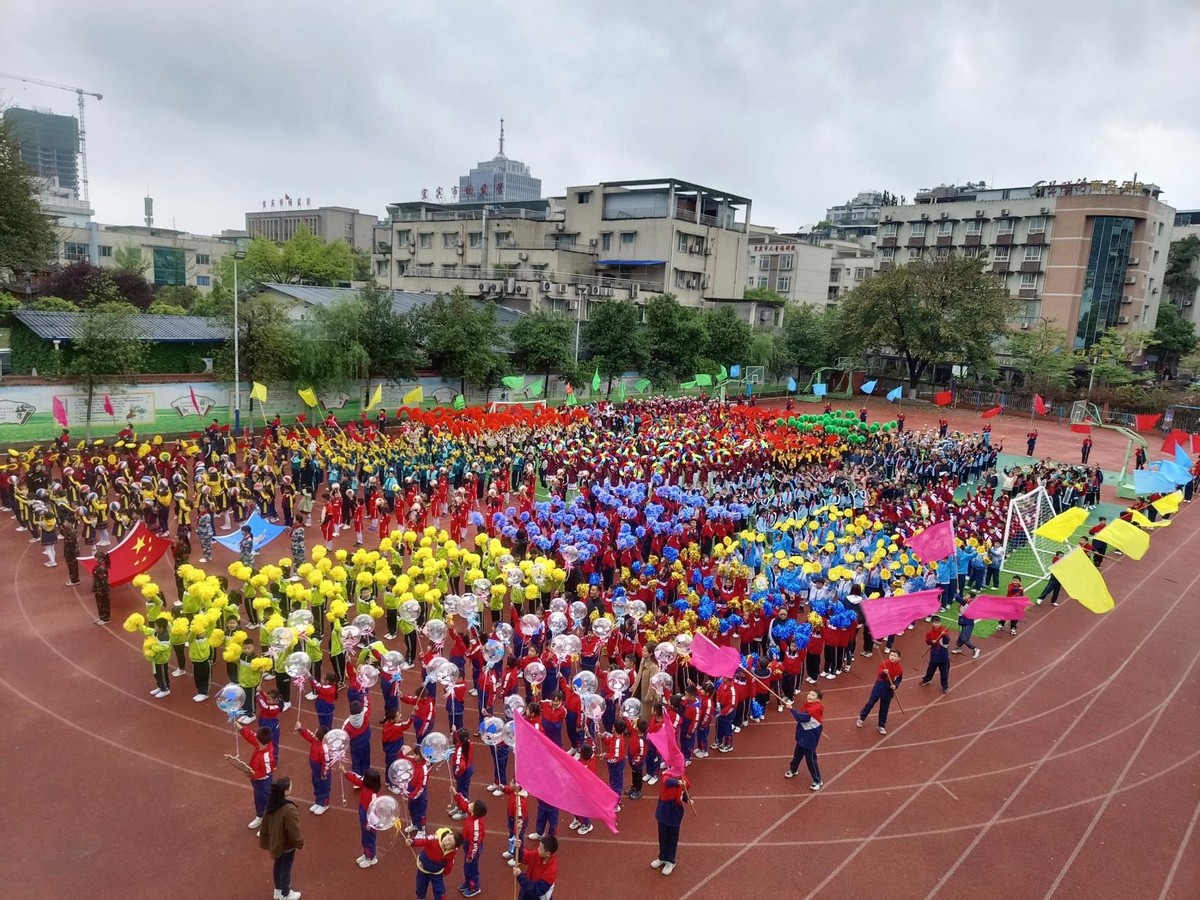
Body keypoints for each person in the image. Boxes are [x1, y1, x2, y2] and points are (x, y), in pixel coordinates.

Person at [259, 776, 304, 900]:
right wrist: (299, 842)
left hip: (276, 842)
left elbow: (266, 821)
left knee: (278, 864)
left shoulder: (272, 803)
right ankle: (286, 894)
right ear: (285, 791)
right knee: (286, 868)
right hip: (286, 844)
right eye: (290, 786)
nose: (291, 787)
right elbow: (294, 830)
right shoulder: (289, 809)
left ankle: (278, 890)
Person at [652, 766, 690, 876]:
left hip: (674, 814)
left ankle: (670, 861)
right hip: (664, 813)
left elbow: (683, 794)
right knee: (662, 837)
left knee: (672, 839)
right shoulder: (667, 777)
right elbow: (668, 782)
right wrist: (678, 782)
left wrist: (688, 800)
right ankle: (662, 857)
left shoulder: (684, 780)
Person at [783, 689, 824, 790]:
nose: (809, 696)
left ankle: (817, 780)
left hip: (809, 739)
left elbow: (801, 718)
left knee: (811, 760)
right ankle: (793, 769)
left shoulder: (813, 709)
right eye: (809, 694)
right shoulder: (808, 706)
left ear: (818, 699)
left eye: (813, 695)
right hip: (803, 735)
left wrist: (791, 709)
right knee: (797, 754)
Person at [406, 827, 462, 900]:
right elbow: (424, 841)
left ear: (453, 848)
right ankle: (421, 897)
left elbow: (450, 862)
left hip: (437, 872)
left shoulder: (452, 852)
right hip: (423, 868)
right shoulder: (434, 839)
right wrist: (413, 842)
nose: (447, 843)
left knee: (439, 890)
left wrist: (445, 872)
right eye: (449, 839)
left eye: (450, 845)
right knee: (421, 885)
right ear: (448, 834)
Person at [450, 790, 487, 897]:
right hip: (469, 845)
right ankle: (468, 883)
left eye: (472, 805)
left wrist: (471, 856)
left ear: (474, 812)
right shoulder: (472, 813)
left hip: (473, 850)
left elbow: (475, 843)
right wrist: (456, 794)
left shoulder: (475, 826)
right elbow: (464, 804)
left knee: (471, 868)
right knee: (467, 867)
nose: (470, 804)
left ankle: (474, 887)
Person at [856, 650, 903, 735]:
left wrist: (895, 685)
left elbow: (898, 679)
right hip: (880, 686)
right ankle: (861, 718)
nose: (892, 657)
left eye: (894, 656)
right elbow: (880, 675)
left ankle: (881, 725)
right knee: (870, 703)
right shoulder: (884, 664)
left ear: (898, 658)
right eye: (891, 655)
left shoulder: (900, 669)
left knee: (884, 708)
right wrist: (884, 673)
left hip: (889, 690)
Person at [344, 768, 381, 867]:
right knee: (365, 839)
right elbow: (356, 779)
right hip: (364, 815)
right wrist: (345, 772)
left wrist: (370, 824)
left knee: (368, 839)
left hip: (369, 820)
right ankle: (367, 854)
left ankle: (371, 857)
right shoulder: (365, 786)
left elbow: (374, 812)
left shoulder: (374, 796)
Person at [514, 834, 559, 900]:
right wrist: (519, 848)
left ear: (547, 854)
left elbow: (535, 891)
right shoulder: (539, 854)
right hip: (527, 890)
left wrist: (520, 876)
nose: (538, 849)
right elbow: (524, 856)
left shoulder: (551, 871)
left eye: (540, 848)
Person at [920, 622, 951, 693]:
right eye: (935, 623)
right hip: (934, 655)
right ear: (932, 623)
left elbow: (946, 642)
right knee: (931, 669)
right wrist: (931, 642)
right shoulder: (930, 632)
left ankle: (945, 686)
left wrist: (944, 636)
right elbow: (927, 641)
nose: (937, 624)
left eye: (938, 623)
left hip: (943, 656)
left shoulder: (944, 631)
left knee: (944, 672)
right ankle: (927, 679)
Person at [92, 549, 111, 625]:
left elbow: (101, 578)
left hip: (102, 588)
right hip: (99, 587)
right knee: (99, 602)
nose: (95, 559)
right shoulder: (99, 566)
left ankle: (106, 618)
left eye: (96, 557)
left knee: (104, 603)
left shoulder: (101, 568)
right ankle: (101, 616)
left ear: (101, 559)